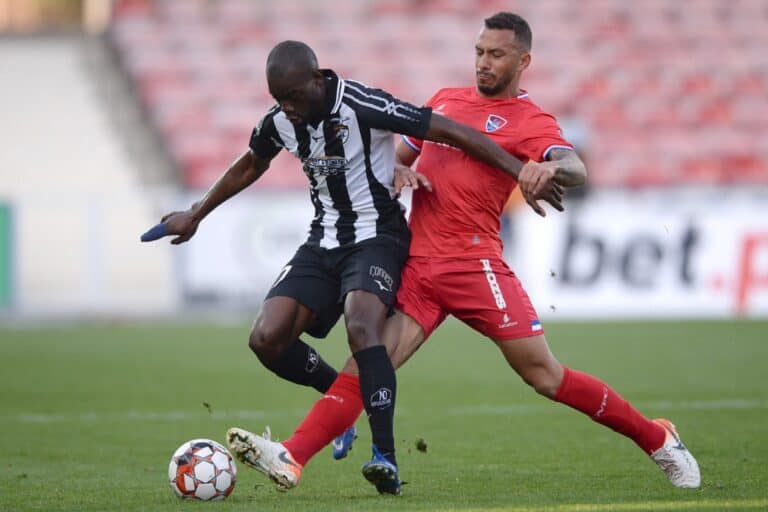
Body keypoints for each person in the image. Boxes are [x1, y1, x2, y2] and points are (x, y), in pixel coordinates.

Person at [227, 13, 701, 495]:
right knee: (367, 361)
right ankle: (292, 456)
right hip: (418, 265)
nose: (483, 63)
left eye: (496, 54)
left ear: (523, 61)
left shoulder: (531, 120)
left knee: (544, 375)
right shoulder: (445, 100)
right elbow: (393, 158)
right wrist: (398, 172)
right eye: (479, 52)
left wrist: (548, 171)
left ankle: (656, 437)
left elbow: (575, 167)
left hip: (476, 267)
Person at [147, 39, 561, 495]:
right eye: (279, 99)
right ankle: (339, 408)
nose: (288, 107)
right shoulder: (281, 120)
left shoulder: (363, 104)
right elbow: (251, 163)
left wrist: (519, 171)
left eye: (293, 96)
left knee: (361, 324)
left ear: (316, 79)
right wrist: (197, 213)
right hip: (323, 240)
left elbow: (447, 129)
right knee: (266, 338)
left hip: (378, 237)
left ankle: (384, 455)